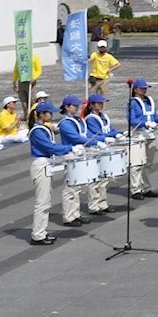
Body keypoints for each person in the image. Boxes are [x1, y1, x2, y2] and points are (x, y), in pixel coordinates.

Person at [28, 101, 77, 245]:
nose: (52, 115)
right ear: (42, 114)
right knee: (42, 202)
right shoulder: (37, 131)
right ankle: (37, 235)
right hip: (41, 164)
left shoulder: (42, 128)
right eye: (49, 113)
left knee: (46, 201)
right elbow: (50, 147)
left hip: (46, 164)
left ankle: (41, 232)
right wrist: (70, 148)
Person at [56, 95, 97, 226]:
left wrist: (99, 139)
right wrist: (96, 141)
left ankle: (75, 214)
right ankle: (69, 217)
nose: (78, 107)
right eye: (74, 105)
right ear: (67, 107)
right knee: (70, 188)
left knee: (77, 187)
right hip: (70, 155)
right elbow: (76, 137)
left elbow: (86, 134)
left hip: (78, 154)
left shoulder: (78, 120)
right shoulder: (65, 123)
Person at [83, 93, 120, 215]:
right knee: (95, 179)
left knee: (104, 178)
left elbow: (110, 129)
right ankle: (94, 205)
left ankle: (103, 203)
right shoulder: (90, 118)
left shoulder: (103, 116)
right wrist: (110, 136)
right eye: (99, 103)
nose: (101, 105)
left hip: (105, 148)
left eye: (102, 102)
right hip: (95, 149)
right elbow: (97, 133)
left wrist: (117, 133)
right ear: (92, 105)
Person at [127, 78, 158, 198]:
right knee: (137, 164)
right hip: (139, 136)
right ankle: (135, 189)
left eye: (145, 88)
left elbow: (154, 116)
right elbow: (131, 120)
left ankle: (146, 187)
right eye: (142, 88)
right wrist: (144, 123)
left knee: (148, 163)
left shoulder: (149, 101)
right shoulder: (132, 103)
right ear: (135, 89)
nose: (145, 90)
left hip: (151, 135)